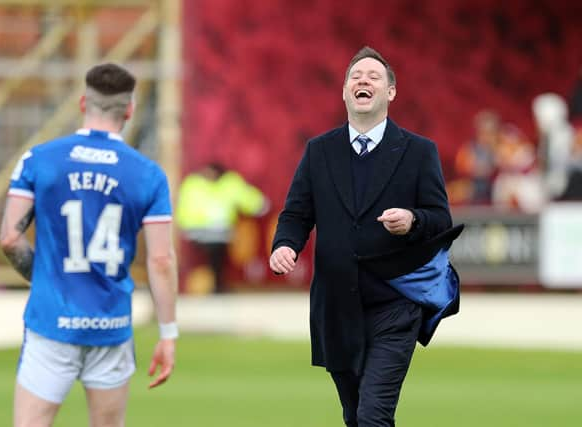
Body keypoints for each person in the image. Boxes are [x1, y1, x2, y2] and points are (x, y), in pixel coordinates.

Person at [269, 46, 457, 426]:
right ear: (344, 92)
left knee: (374, 416)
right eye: (355, 76)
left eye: (373, 76)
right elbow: (297, 213)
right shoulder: (319, 151)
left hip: (395, 305)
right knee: (354, 416)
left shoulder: (419, 152)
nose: (363, 81)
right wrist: (285, 245)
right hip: (336, 307)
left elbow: (440, 219)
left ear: (390, 92)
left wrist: (413, 220)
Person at [0, 63, 178, 427]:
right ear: (128, 110)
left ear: (83, 102)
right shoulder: (148, 174)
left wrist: (46, 278)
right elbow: (161, 259)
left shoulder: (40, 159)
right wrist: (167, 332)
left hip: (52, 323)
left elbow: (10, 237)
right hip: (110, 326)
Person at [176, 162, 268, 293]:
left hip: (208, 231)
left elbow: (252, 201)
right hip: (201, 231)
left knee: (217, 252)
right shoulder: (198, 184)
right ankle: (215, 284)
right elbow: (255, 202)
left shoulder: (197, 183)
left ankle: (216, 284)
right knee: (216, 251)